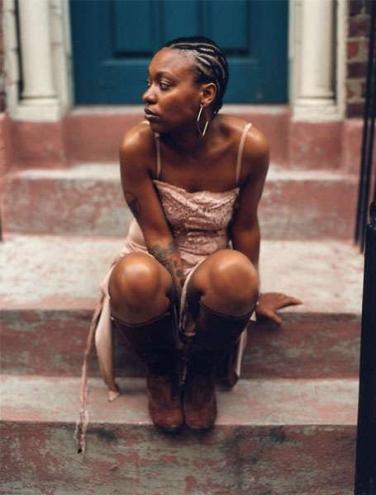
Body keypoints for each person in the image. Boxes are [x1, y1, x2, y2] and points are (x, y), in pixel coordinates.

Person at [76, 36, 300, 452]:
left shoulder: (248, 147)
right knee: (134, 277)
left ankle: (200, 370)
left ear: (206, 94)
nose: (147, 95)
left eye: (163, 85)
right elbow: (157, 237)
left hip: (213, 260)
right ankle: (160, 370)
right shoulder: (138, 145)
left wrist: (249, 296)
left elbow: (245, 226)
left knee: (235, 274)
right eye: (149, 83)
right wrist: (182, 299)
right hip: (153, 256)